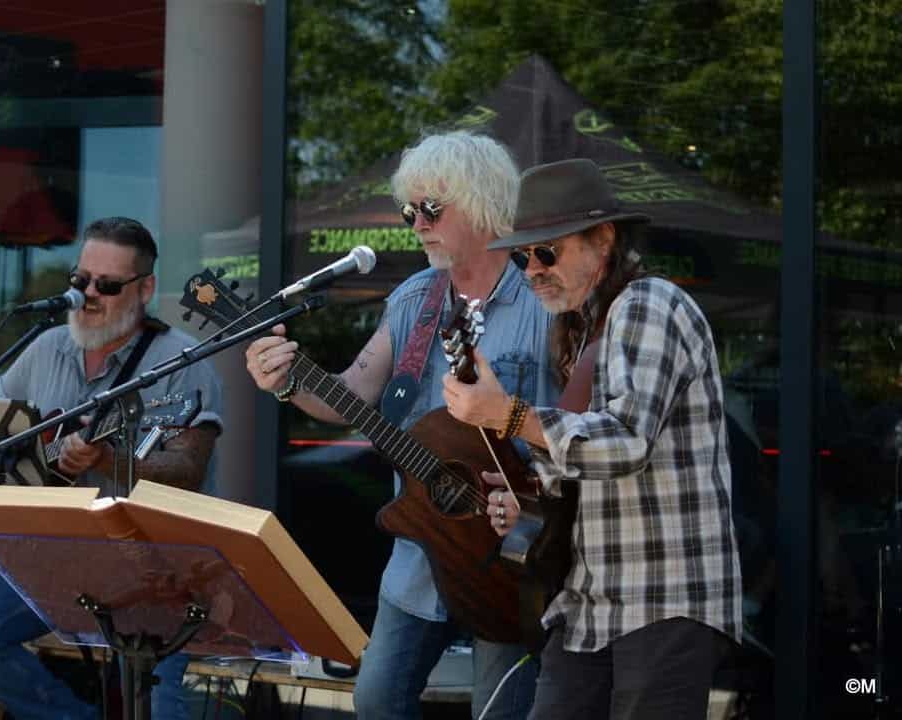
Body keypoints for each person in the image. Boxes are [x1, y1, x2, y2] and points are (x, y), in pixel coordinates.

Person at [245, 131, 557, 719]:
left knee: (500, 711)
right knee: (378, 698)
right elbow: (353, 395)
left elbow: (570, 425)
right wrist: (287, 381)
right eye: (409, 209)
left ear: (484, 201)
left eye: (431, 208)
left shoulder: (543, 300)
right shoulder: (415, 298)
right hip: (421, 543)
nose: (416, 223)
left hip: (511, 548)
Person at [442, 158, 742, 720]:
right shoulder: (585, 332)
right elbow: (581, 465)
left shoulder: (650, 304)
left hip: (662, 598)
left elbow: (626, 441)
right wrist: (524, 503)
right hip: (590, 605)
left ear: (603, 239)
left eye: (547, 251)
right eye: (521, 255)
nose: (532, 269)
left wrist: (508, 414)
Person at [0, 216, 224, 720]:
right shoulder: (46, 347)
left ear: (145, 289)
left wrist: (108, 459)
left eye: (107, 285)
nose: (88, 294)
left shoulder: (182, 360)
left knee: (154, 704)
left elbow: (189, 469)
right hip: (54, 557)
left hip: (150, 567)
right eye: (80, 280)